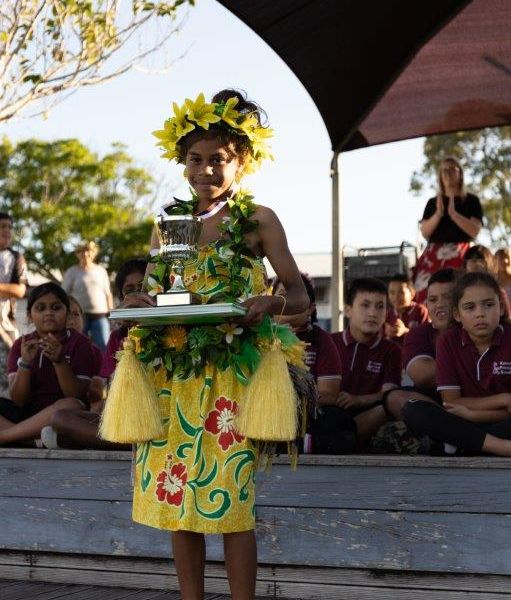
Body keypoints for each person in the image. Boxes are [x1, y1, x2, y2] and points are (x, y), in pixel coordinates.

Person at [120, 90, 308, 600]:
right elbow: (164, 294)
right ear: (182, 165)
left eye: (218, 160)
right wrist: (141, 300)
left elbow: (302, 300)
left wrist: (271, 303)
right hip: (173, 375)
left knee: (230, 498)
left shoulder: (259, 220)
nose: (206, 170)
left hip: (232, 377)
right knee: (180, 495)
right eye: (196, 160)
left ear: (241, 163)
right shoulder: (169, 225)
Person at [40, 259, 148, 450]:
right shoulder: (117, 336)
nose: (136, 294)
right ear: (122, 296)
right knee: (60, 418)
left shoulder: (166, 329)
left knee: (57, 432)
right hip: (123, 417)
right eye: (129, 289)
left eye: (142, 286)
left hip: (151, 415)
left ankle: (128, 443)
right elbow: (108, 392)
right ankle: (131, 443)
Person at [402, 271, 511, 456]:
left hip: (496, 421)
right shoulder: (448, 341)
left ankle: (461, 445)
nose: (480, 314)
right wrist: (504, 399)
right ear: (457, 314)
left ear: (501, 308)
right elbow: (451, 402)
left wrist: (474, 414)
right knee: (413, 408)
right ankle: (500, 447)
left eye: (489, 305)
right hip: (461, 419)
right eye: (470, 307)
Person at [0, 283, 97, 446]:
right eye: (40, 308)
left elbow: (75, 394)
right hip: (29, 413)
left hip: (61, 415)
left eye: (56, 307)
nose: (49, 313)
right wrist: (25, 363)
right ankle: (32, 439)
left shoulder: (80, 343)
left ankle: (8, 437)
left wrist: (59, 361)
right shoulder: (21, 345)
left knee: (71, 405)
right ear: (30, 316)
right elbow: (18, 400)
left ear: (67, 314)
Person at [378, 269, 457, 454]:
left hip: (479, 403)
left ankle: (450, 437)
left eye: (447, 297)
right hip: (435, 406)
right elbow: (423, 376)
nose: (440, 305)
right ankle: (455, 433)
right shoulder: (419, 333)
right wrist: (470, 365)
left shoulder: (479, 331)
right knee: (395, 398)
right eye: (433, 299)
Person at [273, 274, 352, 454]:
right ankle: (300, 443)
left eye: (296, 297)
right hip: (264, 410)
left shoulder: (321, 339)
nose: (288, 302)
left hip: (304, 413)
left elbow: (329, 394)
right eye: (282, 295)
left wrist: (295, 402)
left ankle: (291, 443)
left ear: (310, 308)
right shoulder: (258, 335)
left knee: (340, 420)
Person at [331, 278, 402, 445]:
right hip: (331, 413)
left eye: (380, 306)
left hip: (370, 421)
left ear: (386, 313)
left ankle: (338, 442)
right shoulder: (329, 342)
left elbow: (389, 395)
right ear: (348, 310)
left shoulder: (391, 350)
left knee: (385, 410)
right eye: (365, 305)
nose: (372, 313)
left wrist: (358, 400)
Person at [414, 157, 483, 303]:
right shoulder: (433, 203)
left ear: (460, 174)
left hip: (461, 255)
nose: (448, 173)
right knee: (427, 295)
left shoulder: (471, 200)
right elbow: (425, 231)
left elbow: (475, 231)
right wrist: (439, 213)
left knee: (459, 295)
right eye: (444, 170)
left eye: (452, 169)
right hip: (433, 257)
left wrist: (454, 215)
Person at [62, 241, 113, 352]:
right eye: (82, 251)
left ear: (94, 253)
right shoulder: (72, 272)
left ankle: (103, 369)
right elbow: (64, 294)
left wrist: (112, 313)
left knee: (102, 345)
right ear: (77, 254)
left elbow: (108, 293)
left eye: (88, 251)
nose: (85, 254)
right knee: (79, 345)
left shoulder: (101, 270)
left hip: (100, 315)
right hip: (79, 315)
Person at [0, 212, 28, 399]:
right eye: (2, 226)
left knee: (8, 367)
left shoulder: (16, 257)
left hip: (6, 324)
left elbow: (20, 290)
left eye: (10, 226)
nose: (7, 230)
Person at [463, 244, 511, 319]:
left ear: (488, 263)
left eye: (480, 259)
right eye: (471, 259)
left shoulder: (497, 291)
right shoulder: (459, 291)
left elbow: (507, 319)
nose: (475, 263)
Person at [385, 273, 428, 344]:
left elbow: (427, 337)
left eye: (401, 293)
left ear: (412, 294)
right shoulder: (388, 314)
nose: (396, 297)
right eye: (392, 292)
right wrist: (387, 334)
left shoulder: (421, 311)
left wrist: (405, 331)